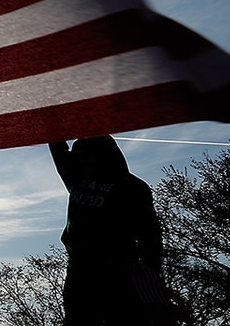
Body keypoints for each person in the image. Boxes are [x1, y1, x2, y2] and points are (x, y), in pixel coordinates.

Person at [50, 135, 164, 326]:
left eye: (84, 156)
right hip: (80, 272)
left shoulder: (132, 187)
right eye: (77, 156)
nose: (80, 160)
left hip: (118, 273)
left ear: (102, 155)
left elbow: (149, 233)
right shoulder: (78, 178)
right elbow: (59, 149)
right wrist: (46, 117)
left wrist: (151, 274)